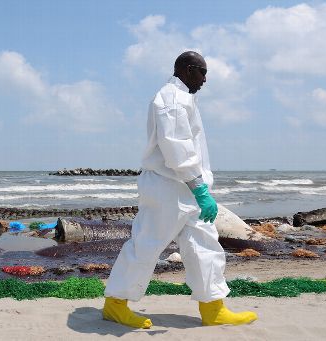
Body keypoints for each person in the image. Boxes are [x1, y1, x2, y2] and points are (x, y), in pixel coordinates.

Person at [102, 51, 258, 328]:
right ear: (187, 70)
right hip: (168, 188)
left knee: (205, 246)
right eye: (202, 72)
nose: (205, 79)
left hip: (188, 188)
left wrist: (199, 190)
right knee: (146, 245)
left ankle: (213, 307)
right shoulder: (171, 100)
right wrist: (199, 189)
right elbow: (177, 150)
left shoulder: (184, 98)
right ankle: (115, 304)